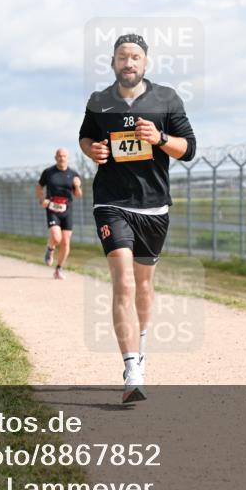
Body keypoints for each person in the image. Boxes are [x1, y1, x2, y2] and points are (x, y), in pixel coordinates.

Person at [78, 33, 197, 403]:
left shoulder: (166, 98)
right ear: (112, 63)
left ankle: (140, 347)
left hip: (154, 206)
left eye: (135, 58)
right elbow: (85, 138)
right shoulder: (99, 101)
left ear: (145, 63)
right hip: (111, 202)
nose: (128, 63)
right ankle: (132, 369)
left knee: (144, 287)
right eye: (122, 57)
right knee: (124, 284)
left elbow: (189, 149)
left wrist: (160, 137)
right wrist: (93, 150)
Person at [36, 148, 83, 280]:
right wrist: (42, 199)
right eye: (59, 156)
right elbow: (39, 187)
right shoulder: (49, 172)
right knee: (57, 238)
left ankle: (58, 269)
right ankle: (50, 248)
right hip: (52, 208)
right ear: (55, 157)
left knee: (66, 242)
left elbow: (78, 195)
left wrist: (78, 186)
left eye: (64, 156)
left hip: (67, 210)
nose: (62, 158)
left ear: (67, 158)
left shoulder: (74, 174)